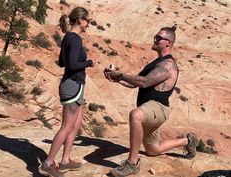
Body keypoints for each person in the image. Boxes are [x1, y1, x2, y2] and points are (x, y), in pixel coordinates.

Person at [104, 26, 198, 176]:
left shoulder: (168, 65)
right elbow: (135, 82)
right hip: (149, 110)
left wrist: (121, 74)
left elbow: (145, 82)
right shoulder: (156, 63)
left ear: (168, 43)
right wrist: (117, 79)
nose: (155, 39)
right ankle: (187, 141)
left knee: (135, 115)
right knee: (152, 150)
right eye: (155, 36)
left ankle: (132, 163)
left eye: (159, 38)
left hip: (158, 108)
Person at [39, 7, 95, 177]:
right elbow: (70, 65)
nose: (88, 24)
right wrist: (88, 63)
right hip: (72, 85)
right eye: (87, 21)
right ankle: (47, 163)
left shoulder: (67, 38)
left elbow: (61, 62)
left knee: (76, 124)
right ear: (79, 20)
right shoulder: (75, 38)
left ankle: (65, 160)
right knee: (67, 126)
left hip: (73, 84)